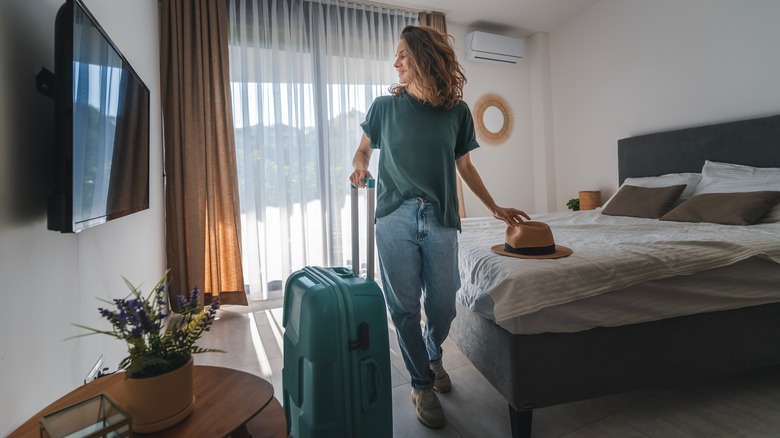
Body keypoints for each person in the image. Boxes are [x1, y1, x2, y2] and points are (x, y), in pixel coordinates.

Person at [349, 25, 529, 429]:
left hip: (442, 217)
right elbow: (362, 151)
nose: (395, 63)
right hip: (394, 216)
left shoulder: (457, 112)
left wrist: (495, 207)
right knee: (404, 309)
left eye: (402, 55)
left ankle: (431, 355)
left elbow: (465, 167)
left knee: (445, 305)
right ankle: (422, 384)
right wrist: (359, 168)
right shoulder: (383, 107)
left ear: (423, 57)